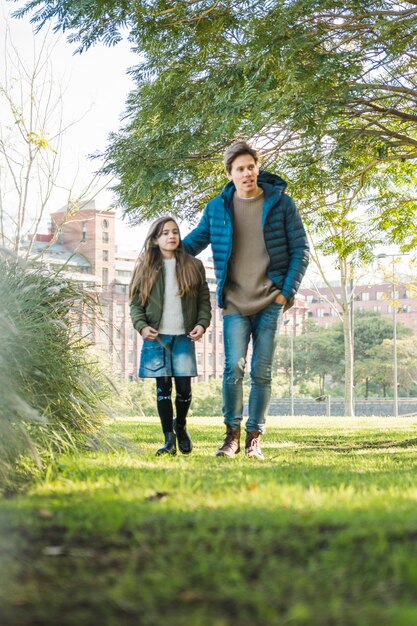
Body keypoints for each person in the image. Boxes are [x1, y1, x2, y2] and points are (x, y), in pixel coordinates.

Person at [183, 141, 309, 460]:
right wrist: (162, 252)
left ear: (257, 167)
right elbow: (195, 242)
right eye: (239, 169)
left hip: (270, 301)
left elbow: (301, 250)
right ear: (230, 174)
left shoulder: (281, 204)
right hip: (235, 303)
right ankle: (231, 437)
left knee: (262, 372)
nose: (247, 173)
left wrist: (286, 293)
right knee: (232, 369)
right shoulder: (217, 208)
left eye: (251, 166)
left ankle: (255, 438)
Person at [129, 216, 211, 456]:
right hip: (158, 338)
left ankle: (181, 426)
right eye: (165, 233)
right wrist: (142, 326)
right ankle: (168, 439)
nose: (171, 236)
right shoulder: (144, 267)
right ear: (155, 239)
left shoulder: (193, 265)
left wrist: (202, 324)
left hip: (184, 337)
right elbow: (135, 304)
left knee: (184, 390)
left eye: (175, 232)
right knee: (163, 389)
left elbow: (204, 300)